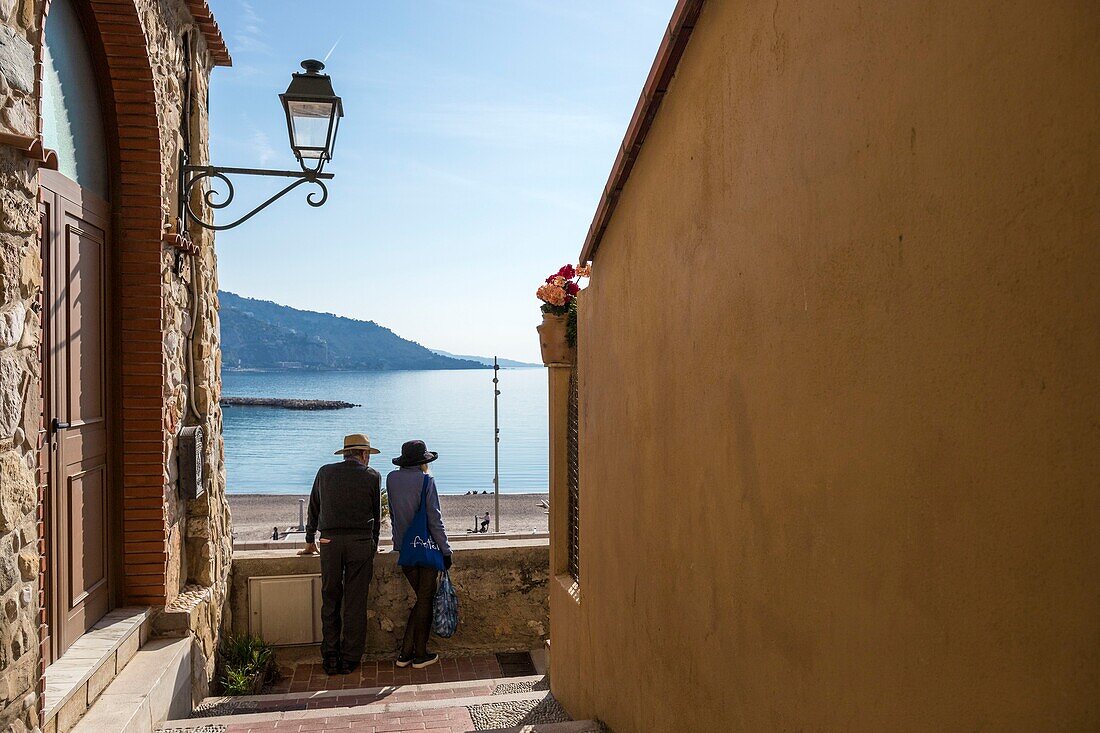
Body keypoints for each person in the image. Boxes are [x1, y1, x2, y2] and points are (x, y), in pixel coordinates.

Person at [298, 433, 382, 676]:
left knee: (331, 597)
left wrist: (309, 539)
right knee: (355, 602)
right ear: (364, 455)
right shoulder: (372, 476)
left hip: (329, 541)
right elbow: (376, 515)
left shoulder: (325, 472)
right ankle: (350, 658)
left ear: (345, 453)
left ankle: (330, 656)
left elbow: (314, 506)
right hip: (360, 542)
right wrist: (373, 544)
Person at [387, 440, 452, 669]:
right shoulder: (427, 481)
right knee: (425, 599)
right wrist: (446, 551)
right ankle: (419, 654)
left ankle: (405, 655)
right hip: (426, 549)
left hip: (405, 549)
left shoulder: (391, 479)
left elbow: (394, 516)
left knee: (422, 599)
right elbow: (435, 520)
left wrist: (398, 543)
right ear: (423, 461)